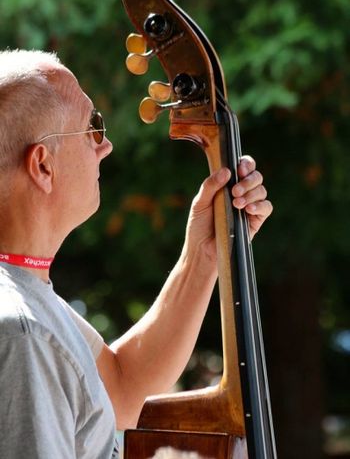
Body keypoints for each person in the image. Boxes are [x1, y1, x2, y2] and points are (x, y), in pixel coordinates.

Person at [0, 49, 273, 459]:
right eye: (92, 127)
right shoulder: (24, 332)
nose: (105, 146)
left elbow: (124, 389)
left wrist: (204, 254)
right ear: (43, 165)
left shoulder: (30, 301)